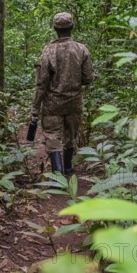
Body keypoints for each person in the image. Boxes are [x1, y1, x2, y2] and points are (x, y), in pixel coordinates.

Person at [30, 12, 94, 174]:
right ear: (72, 27)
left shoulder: (48, 51)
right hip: (74, 101)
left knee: (52, 135)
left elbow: (41, 83)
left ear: (55, 28)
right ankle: (68, 167)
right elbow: (88, 78)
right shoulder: (81, 49)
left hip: (53, 103)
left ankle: (58, 173)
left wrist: (35, 109)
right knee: (70, 135)